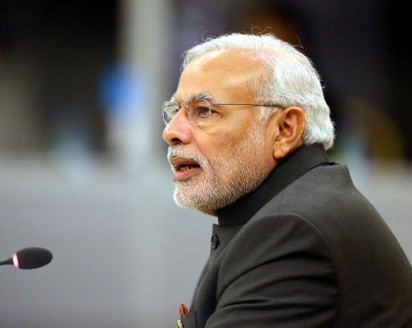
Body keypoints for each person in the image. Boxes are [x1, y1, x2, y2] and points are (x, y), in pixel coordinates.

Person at [161, 32, 412, 328]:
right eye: (176, 110)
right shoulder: (287, 207)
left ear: (284, 130)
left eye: (204, 111)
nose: (171, 131)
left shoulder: (292, 228)